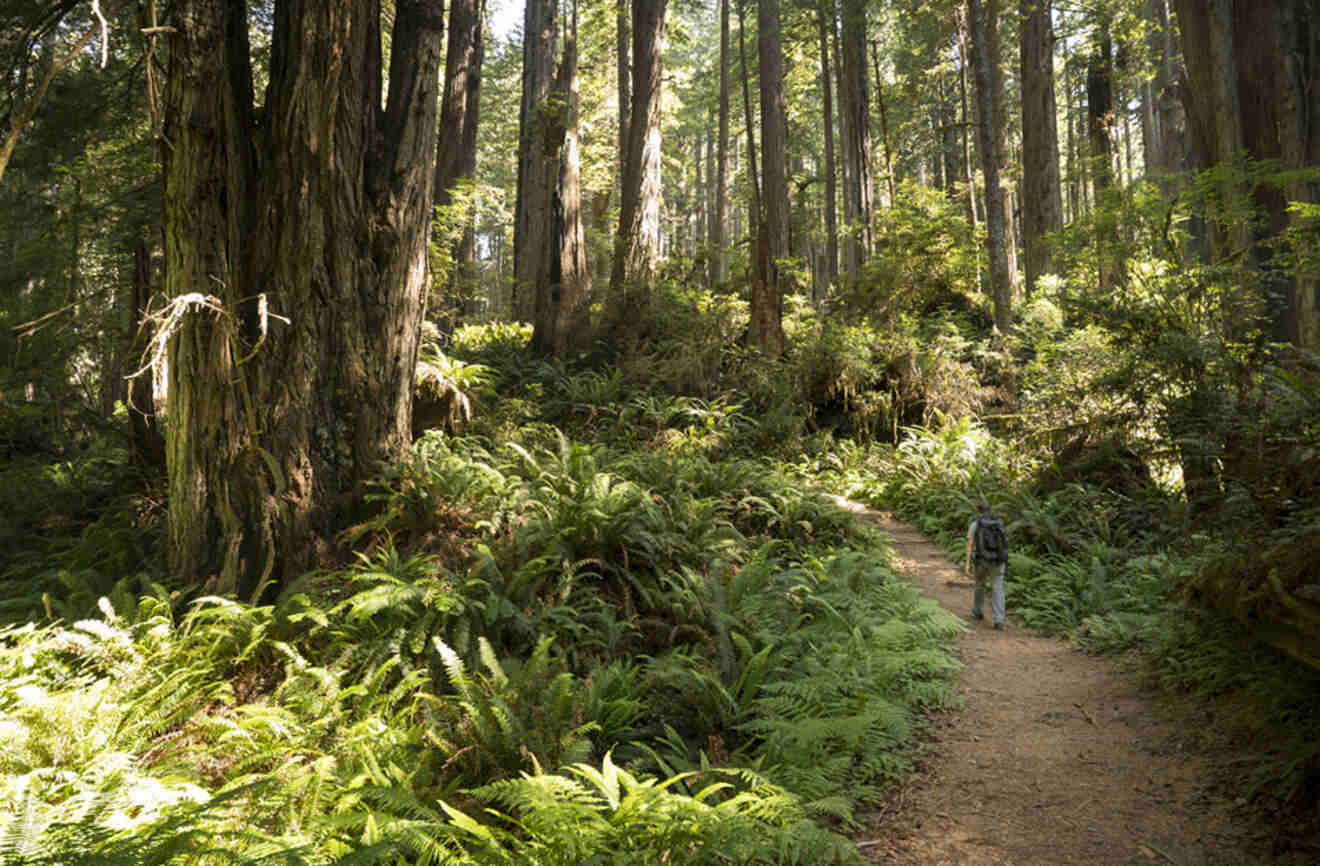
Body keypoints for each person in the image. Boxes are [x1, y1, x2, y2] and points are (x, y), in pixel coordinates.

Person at [964, 501, 1007, 630]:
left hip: (982, 561)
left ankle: (978, 612)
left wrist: (967, 564)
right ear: (990, 510)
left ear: (978, 511)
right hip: (998, 560)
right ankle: (999, 620)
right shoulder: (998, 522)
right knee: (997, 587)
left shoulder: (975, 524)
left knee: (979, 584)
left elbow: (970, 545)